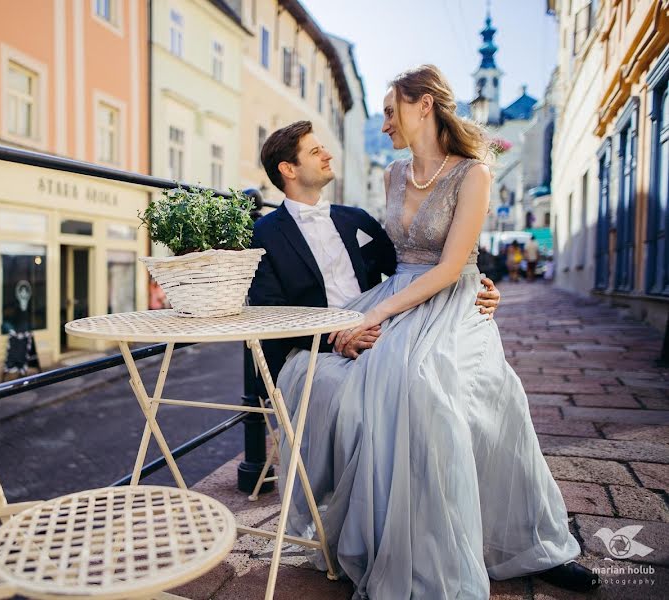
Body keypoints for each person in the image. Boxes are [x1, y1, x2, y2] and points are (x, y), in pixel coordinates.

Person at [251, 65, 597, 599]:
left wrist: (473, 284)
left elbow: (451, 263)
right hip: (397, 298)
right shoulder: (391, 175)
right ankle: (408, 541)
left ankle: (531, 543)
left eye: (391, 111)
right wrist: (365, 317)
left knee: (479, 393)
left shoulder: (474, 174)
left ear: (424, 106)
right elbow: (395, 260)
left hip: (449, 296)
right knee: (402, 389)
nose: (385, 123)